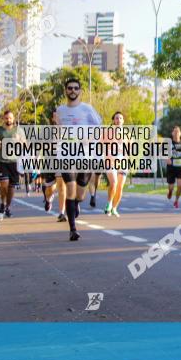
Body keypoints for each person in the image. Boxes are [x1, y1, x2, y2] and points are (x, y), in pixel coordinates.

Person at [54, 77, 103, 241]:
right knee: (71, 187)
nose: (72, 91)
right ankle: (72, 229)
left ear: (80, 91)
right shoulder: (59, 111)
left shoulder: (87, 109)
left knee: (80, 195)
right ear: (65, 91)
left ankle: (75, 206)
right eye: (70, 88)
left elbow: (99, 130)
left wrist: (89, 139)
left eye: (76, 88)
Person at [0, 110, 23, 217]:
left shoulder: (19, 130)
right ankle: (2, 202)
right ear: (3, 119)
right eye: (6, 118)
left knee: (11, 187)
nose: (8, 120)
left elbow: (25, 143)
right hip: (1, 160)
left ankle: (7, 206)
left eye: (10, 118)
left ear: (13, 119)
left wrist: (20, 142)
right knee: (4, 184)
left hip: (14, 161)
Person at [104, 111, 128, 217]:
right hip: (110, 161)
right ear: (114, 121)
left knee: (120, 187)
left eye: (120, 118)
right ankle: (109, 204)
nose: (118, 120)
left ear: (123, 121)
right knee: (113, 183)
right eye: (117, 118)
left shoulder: (127, 134)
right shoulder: (108, 132)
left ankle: (114, 208)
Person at [165, 126, 181, 209]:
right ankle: (170, 192)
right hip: (171, 168)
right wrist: (167, 158)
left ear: (180, 133)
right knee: (171, 187)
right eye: (175, 131)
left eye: (178, 131)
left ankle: (176, 200)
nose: (176, 133)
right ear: (172, 133)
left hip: (180, 168)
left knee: (180, 186)